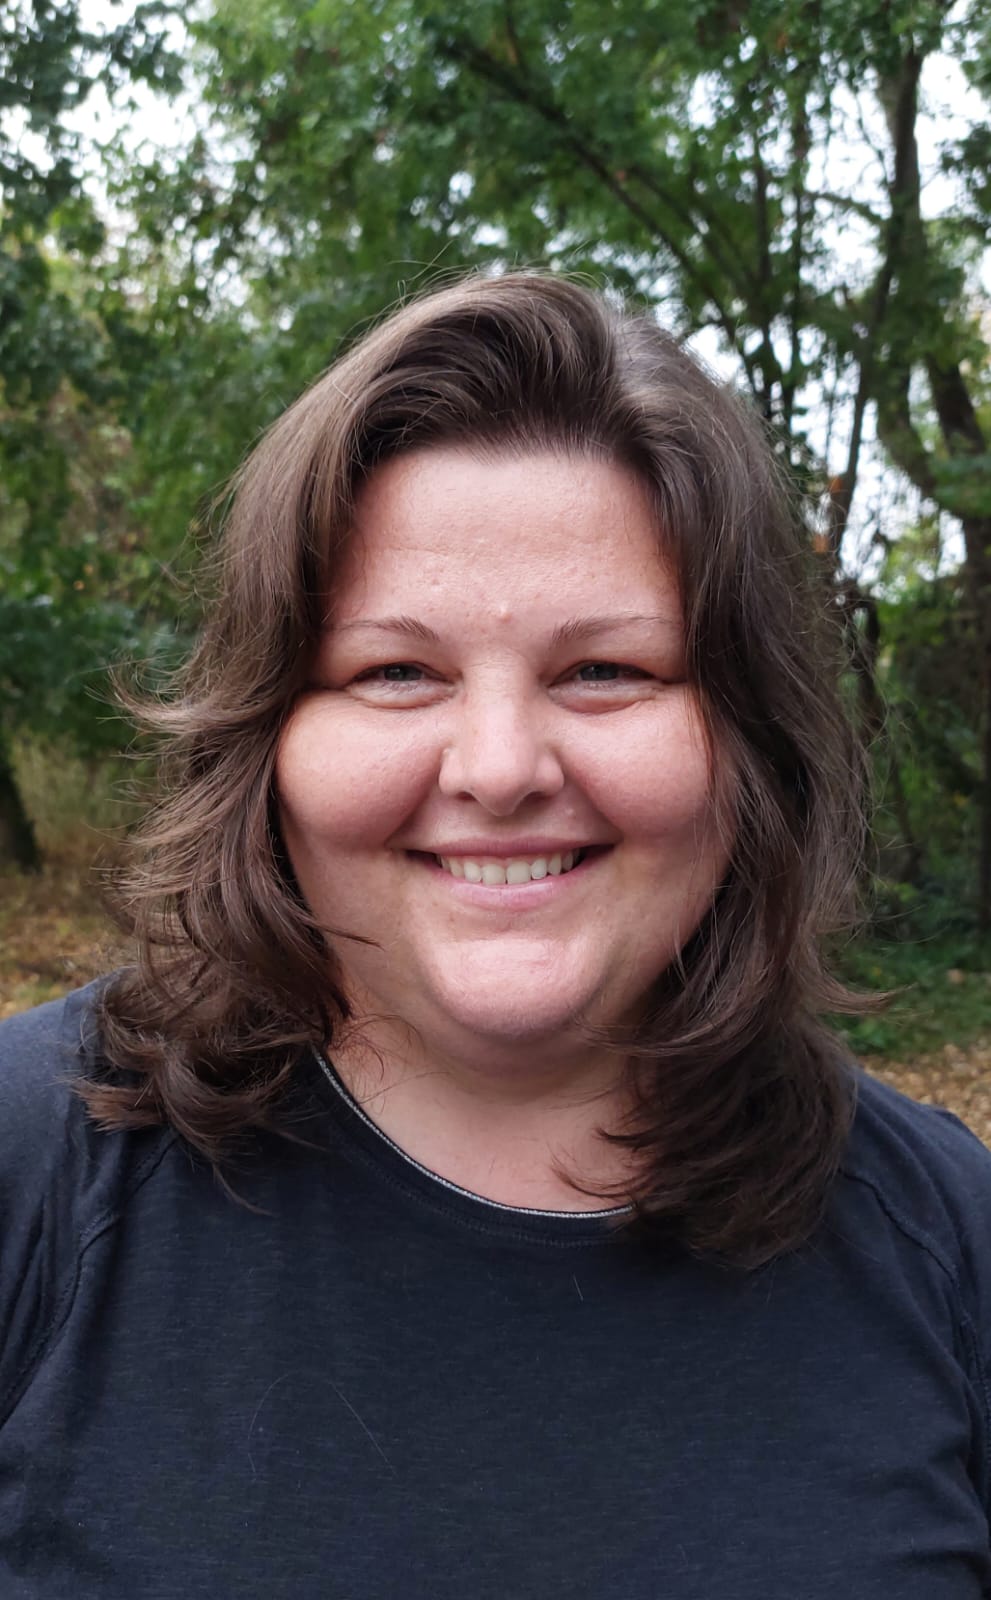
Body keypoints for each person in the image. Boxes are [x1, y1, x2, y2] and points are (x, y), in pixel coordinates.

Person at [1, 273, 990, 1599]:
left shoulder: (950, 1242)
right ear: (270, 741)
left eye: (607, 670)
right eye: (395, 671)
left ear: (747, 738)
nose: (503, 766)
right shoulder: (33, 1173)